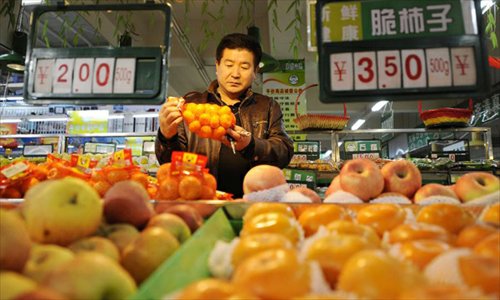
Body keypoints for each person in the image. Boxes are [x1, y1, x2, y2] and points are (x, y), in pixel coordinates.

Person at [155, 33, 294, 198]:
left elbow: (283, 152)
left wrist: (250, 145)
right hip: (201, 199)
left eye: (244, 67)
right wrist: (167, 137)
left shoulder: (267, 107)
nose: (235, 74)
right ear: (217, 65)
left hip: (253, 200)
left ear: (255, 71)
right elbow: (170, 164)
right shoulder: (190, 105)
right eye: (229, 64)